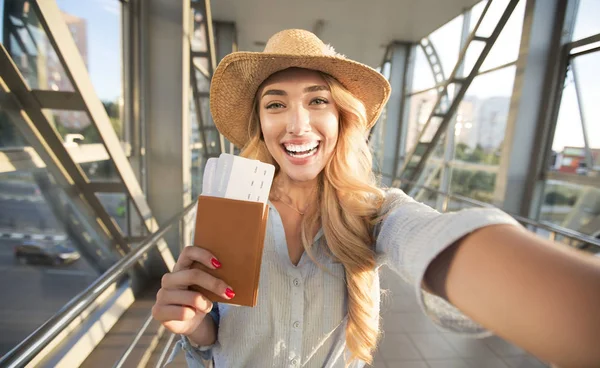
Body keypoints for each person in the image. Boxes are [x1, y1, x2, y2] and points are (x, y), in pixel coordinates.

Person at [153, 29, 600, 368]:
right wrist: (191, 321)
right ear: (259, 123)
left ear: (342, 117)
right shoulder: (230, 201)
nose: (297, 124)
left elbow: (428, 234)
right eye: (275, 104)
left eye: (317, 101)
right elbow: (215, 332)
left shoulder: (373, 211)